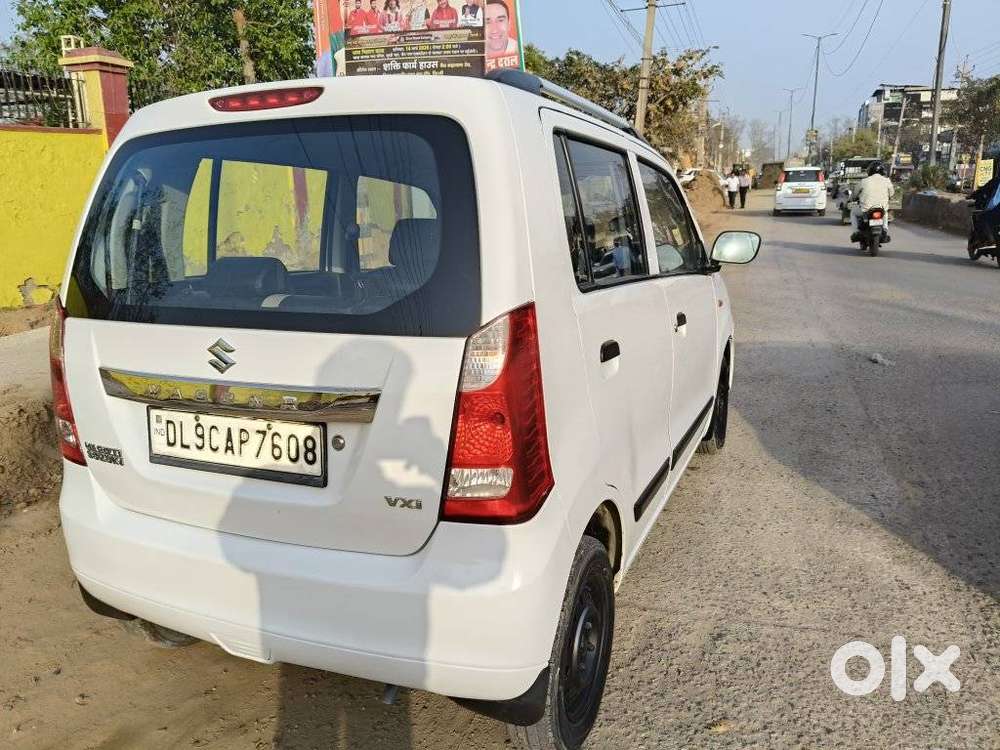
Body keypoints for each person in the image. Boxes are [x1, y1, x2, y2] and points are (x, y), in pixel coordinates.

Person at [851, 162, 895, 239]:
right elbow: (892, 193)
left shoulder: (864, 181)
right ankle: (885, 229)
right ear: (882, 171)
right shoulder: (887, 180)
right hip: (881, 209)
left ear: (870, 171)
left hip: (866, 209)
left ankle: (856, 232)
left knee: (853, 213)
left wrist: (853, 198)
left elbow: (855, 193)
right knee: (885, 212)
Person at [970, 170, 1000, 249]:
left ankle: (990, 240)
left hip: (996, 209)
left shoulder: (996, 181)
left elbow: (983, 190)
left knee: (983, 217)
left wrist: (972, 195)